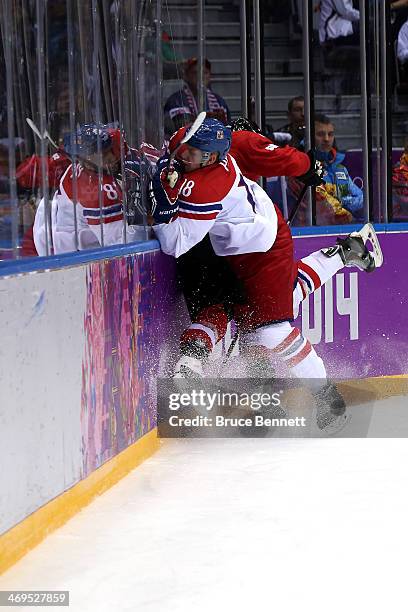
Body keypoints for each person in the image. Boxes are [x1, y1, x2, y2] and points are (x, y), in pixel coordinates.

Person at [149, 117, 382, 431]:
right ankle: (345, 252)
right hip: (237, 246)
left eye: (193, 152)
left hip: (263, 250)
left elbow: (174, 242)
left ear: (212, 155)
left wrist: (161, 207)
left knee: (269, 329)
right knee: (268, 309)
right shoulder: (199, 147)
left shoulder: (211, 181)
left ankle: (328, 398)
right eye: (186, 148)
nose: (184, 155)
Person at [32, 124, 149, 255]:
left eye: (92, 155)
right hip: (69, 255)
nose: (86, 163)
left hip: (64, 229)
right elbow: (122, 248)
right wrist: (142, 218)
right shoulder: (95, 188)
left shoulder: (123, 152)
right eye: (83, 157)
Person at [288, 113, 364, 225]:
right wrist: (346, 202)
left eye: (331, 134)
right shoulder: (300, 168)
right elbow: (327, 209)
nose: (327, 139)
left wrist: (341, 201)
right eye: (320, 134)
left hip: (341, 229)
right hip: (309, 232)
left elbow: (362, 199)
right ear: (308, 137)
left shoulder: (339, 168)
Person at [163, 57, 231, 137]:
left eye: (205, 72)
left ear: (210, 76)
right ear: (186, 76)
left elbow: (225, 132)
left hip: (214, 147)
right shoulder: (176, 100)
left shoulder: (219, 101)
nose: (200, 76)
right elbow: (179, 131)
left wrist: (217, 143)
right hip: (186, 146)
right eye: (195, 72)